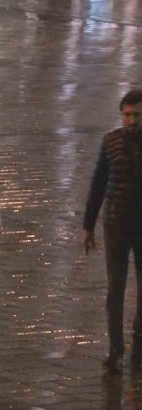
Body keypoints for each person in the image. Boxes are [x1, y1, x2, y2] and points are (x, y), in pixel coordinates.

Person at [84, 89, 142, 372]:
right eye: (127, 115)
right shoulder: (111, 141)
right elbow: (98, 182)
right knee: (115, 288)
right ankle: (115, 348)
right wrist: (88, 225)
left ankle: (139, 341)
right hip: (116, 222)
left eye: (137, 115)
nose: (132, 120)